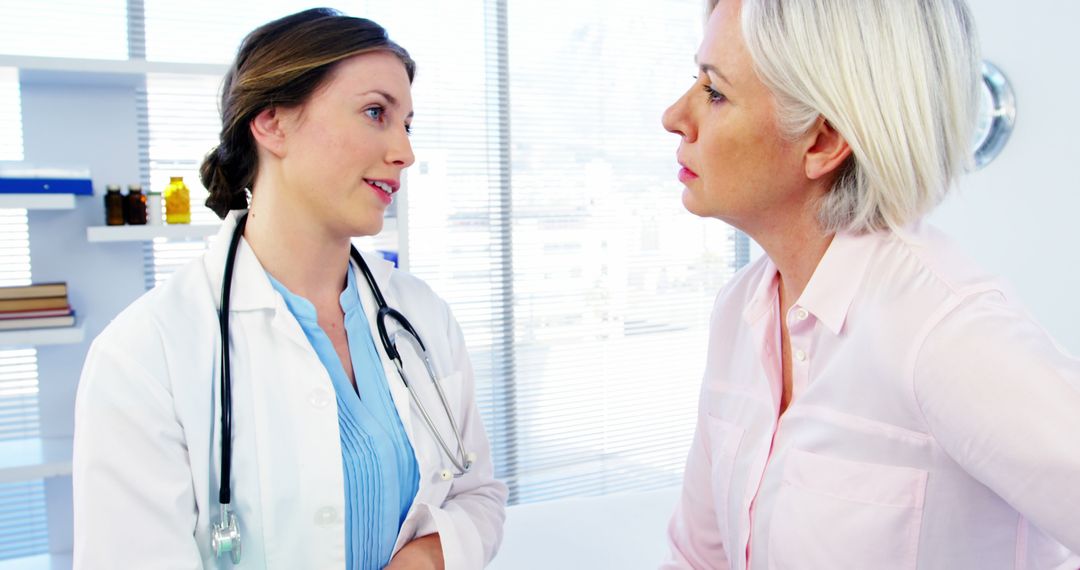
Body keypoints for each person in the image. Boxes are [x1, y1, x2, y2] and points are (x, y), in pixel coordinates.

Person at [73, 8, 506, 569]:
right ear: (272, 123)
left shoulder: (419, 314)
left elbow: (478, 495)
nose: (405, 151)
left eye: (407, 124)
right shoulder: (145, 353)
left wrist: (427, 558)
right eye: (376, 113)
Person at [660, 0, 1080, 567]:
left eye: (715, 93)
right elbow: (698, 557)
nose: (673, 116)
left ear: (822, 141)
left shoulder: (946, 335)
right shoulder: (739, 311)